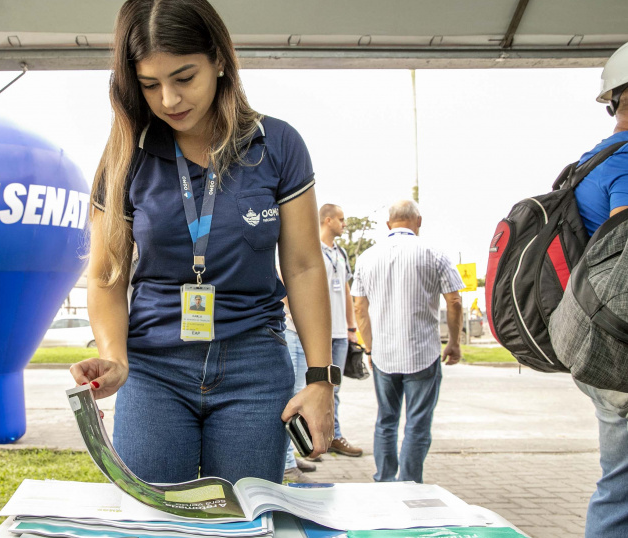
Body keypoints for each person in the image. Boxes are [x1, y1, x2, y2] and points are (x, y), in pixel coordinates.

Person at [70, 0, 336, 485]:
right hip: (154, 370)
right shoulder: (125, 155)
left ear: (218, 59)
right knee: (154, 529)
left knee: (240, 528)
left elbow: (302, 267)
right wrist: (114, 356)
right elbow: (108, 276)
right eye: (150, 85)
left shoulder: (277, 145)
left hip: (254, 367)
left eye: (183, 77)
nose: (169, 99)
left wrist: (320, 380)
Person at [351, 200, 463, 483]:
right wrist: (454, 342)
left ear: (389, 224)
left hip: (384, 354)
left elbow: (359, 308)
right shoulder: (434, 254)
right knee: (417, 424)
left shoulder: (367, 257)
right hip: (422, 352)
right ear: (419, 221)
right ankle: (410, 484)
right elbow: (455, 301)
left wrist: (370, 347)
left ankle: (385, 481)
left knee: (386, 421)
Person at [568, 42, 628, 538]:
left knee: (620, 486)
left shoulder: (592, 160)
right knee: (621, 492)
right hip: (623, 350)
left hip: (602, 343)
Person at [282, 204, 362, 482]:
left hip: (338, 333)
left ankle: (331, 438)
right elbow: (289, 280)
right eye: (341, 219)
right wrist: (295, 318)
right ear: (327, 220)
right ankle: (287, 460)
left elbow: (347, 293)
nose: (344, 224)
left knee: (329, 391)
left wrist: (351, 329)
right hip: (305, 333)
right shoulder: (307, 246)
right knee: (295, 394)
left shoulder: (339, 254)